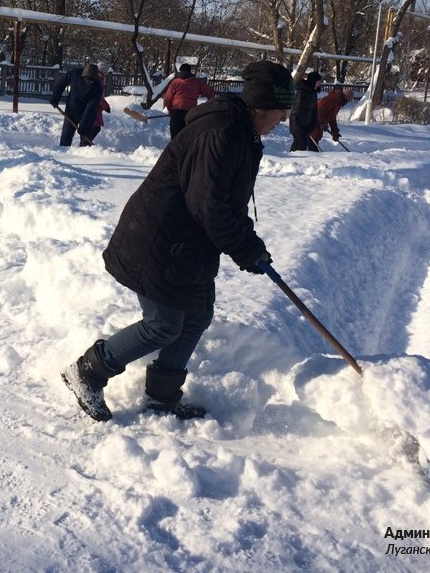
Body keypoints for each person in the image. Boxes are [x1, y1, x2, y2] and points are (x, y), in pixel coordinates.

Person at [61, 60, 294, 422]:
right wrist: (246, 248)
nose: (282, 122)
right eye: (280, 113)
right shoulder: (221, 134)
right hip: (158, 239)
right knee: (162, 324)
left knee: (197, 315)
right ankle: (88, 371)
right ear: (262, 106)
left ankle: (162, 396)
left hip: (188, 245)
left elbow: (227, 200)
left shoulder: (242, 132)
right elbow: (210, 206)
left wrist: (249, 243)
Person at [49, 62, 105, 147]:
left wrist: (83, 125)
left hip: (87, 114)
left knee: (85, 141)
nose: (90, 82)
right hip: (71, 110)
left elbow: (91, 108)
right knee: (66, 137)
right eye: (88, 79)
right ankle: (62, 154)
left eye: (92, 80)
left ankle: (83, 157)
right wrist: (55, 98)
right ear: (83, 75)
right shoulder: (74, 74)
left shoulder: (97, 87)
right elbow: (61, 83)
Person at [163, 63, 216, 139]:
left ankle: (175, 149)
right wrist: (209, 106)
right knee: (188, 136)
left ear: (180, 71)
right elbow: (210, 92)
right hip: (191, 113)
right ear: (190, 71)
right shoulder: (196, 82)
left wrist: (169, 109)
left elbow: (168, 97)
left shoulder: (175, 82)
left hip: (176, 112)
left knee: (175, 136)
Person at [289, 70, 323, 151]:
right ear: (314, 81)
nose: (320, 83)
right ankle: (292, 161)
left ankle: (294, 161)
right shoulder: (303, 91)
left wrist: (312, 124)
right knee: (299, 146)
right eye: (319, 81)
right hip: (298, 123)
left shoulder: (312, 92)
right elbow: (299, 109)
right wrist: (306, 125)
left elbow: (314, 110)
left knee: (302, 145)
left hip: (305, 125)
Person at [85, 62, 112, 143]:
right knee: (95, 127)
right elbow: (98, 96)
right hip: (94, 107)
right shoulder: (98, 79)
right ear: (103, 71)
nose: (107, 73)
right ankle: (86, 143)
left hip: (93, 106)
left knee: (93, 127)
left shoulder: (96, 77)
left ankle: (86, 142)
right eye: (106, 71)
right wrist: (106, 106)